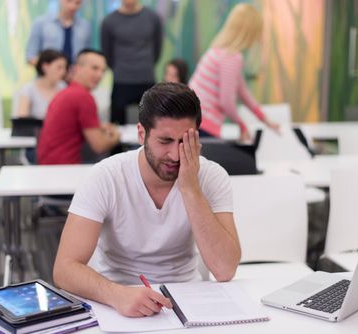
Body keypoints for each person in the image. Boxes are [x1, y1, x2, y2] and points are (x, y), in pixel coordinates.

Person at [53, 82, 241, 317]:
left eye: (184, 142)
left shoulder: (211, 176)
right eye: (165, 141)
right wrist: (116, 294)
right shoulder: (107, 176)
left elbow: (224, 270)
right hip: (116, 296)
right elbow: (64, 268)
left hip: (187, 297)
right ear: (141, 133)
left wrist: (190, 189)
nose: (175, 154)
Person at [189, 3, 280, 142]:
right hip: (203, 125)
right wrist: (242, 125)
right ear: (249, 32)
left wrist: (265, 119)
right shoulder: (231, 58)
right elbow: (226, 101)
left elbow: (243, 91)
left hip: (193, 119)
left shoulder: (218, 51)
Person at [37, 49, 120, 165]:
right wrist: (116, 136)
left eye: (103, 71)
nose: (99, 75)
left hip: (49, 165)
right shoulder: (83, 97)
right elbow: (99, 145)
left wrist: (98, 127)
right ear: (77, 68)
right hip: (65, 169)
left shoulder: (66, 93)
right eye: (95, 68)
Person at [100, 0, 163, 124]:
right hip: (121, 80)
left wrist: (145, 64)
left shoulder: (153, 18)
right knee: (117, 124)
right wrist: (119, 69)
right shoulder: (109, 21)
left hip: (146, 78)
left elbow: (157, 49)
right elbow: (107, 53)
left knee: (152, 124)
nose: (128, 0)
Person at [26, 0, 91, 66]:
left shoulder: (85, 27)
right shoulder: (41, 23)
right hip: (48, 77)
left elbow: (86, 57)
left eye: (77, 2)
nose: (73, 6)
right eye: (69, 0)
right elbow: (30, 56)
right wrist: (50, 70)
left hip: (74, 77)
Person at [15, 49, 68, 119]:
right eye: (59, 67)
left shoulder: (63, 87)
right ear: (45, 67)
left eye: (65, 68)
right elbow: (22, 120)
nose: (63, 72)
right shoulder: (28, 89)